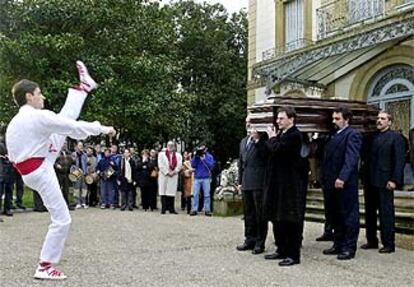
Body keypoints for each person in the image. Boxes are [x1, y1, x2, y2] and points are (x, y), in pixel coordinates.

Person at [6, 61, 115, 280]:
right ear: (29, 96)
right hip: (41, 169)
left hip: (32, 168)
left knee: (64, 121)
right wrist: (103, 128)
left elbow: (65, 125)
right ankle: (44, 266)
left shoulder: (16, 122)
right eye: (39, 94)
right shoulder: (38, 117)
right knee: (62, 219)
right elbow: (74, 129)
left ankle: (84, 87)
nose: (43, 97)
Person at [263, 107, 307, 266]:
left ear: (291, 119)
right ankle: (281, 248)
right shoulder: (282, 134)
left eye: (281, 118)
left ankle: (293, 255)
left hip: (289, 184)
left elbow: (277, 149)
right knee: (277, 218)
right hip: (277, 183)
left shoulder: (295, 135)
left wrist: (272, 138)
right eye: (278, 118)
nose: (278, 121)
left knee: (290, 219)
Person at [321, 107, 362, 260]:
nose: (334, 121)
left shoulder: (352, 134)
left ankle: (349, 247)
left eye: (337, 119)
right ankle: (338, 244)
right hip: (331, 182)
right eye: (333, 118)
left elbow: (351, 158)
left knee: (349, 215)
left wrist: (342, 177)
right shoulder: (333, 135)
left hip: (344, 183)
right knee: (335, 215)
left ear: (347, 119)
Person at [361, 111, 405, 253]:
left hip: (385, 181)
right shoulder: (371, 137)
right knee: (370, 213)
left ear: (390, 122)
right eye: (378, 118)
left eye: (383, 118)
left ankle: (388, 243)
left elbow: (399, 161)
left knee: (386, 213)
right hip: (370, 181)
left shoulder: (396, 138)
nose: (379, 121)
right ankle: (372, 241)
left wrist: (394, 180)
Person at [236, 116, 268, 255]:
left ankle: (260, 242)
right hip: (246, 182)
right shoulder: (243, 142)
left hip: (259, 183)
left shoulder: (263, 140)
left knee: (259, 214)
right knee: (248, 214)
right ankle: (249, 239)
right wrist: (239, 181)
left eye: (251, 123)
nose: (248, 125)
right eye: (247, 123)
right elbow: (241, 164)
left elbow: (265, 157)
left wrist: (257, 140)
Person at [190, 144, 215, 216]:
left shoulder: (209, 156)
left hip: (206, 177)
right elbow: (193, 165)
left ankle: (207, 210)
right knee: (195, 194)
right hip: (197, 178)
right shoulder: (197, 157)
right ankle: (194, 209)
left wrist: (204, 159)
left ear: (206, 149)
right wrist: (195, 157)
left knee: (207, 195)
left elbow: (211, 166)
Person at [158, 141, 182, 214]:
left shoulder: (178, 155)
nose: (170, 147)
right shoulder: (161, 154)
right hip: (164, 175)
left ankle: (171, 209)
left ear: (174, 147)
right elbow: (160, 165)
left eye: (172, 145)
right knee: (163, 192)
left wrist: (174, 172)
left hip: (173, 176)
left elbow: (179, 165)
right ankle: (163, 209)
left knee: (171, 192)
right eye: (169, 145)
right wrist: (167, 172)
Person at [72, 141, 88, 209]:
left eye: (81, 146)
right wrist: (74, 172)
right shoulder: (74, 154)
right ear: (76, 147)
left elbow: (86, 164)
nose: (80, 147)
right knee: (76, 189)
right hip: (76, 173)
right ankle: (77, 203)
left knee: (84, 189)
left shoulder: (84, 155)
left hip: (84, 174)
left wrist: (86, 172)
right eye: (79, 146)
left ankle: (83, 202)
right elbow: (72, 164)